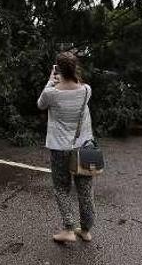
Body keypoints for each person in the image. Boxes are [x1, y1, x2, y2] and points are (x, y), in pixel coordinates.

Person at [37, 52, 96, 243]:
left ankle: (69, 228)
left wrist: (50, 80)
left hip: (60, 148)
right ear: (75, 68)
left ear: (58, 69)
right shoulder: (87, 90)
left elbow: (40, 104)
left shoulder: (51, 93)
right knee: (85, 190)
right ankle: (85, 230)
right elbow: (76, 86)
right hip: (85, 147)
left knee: (62, 187)